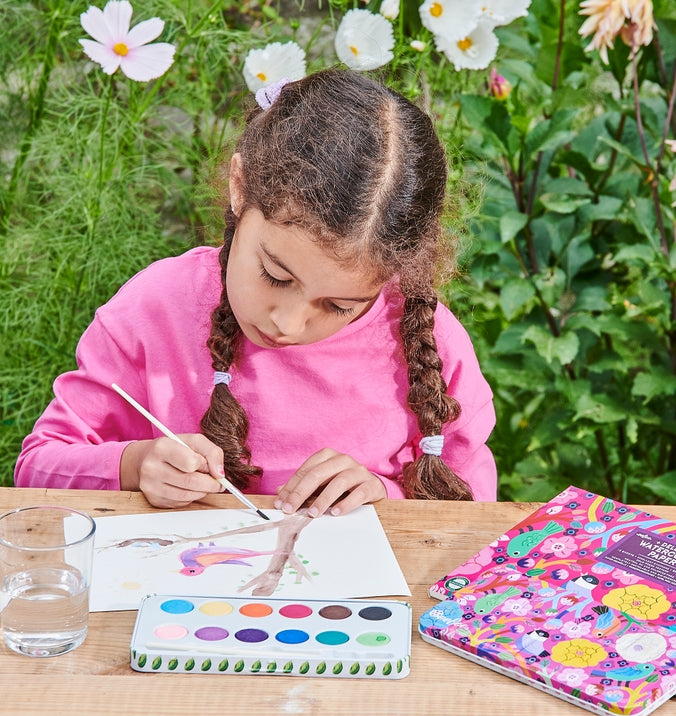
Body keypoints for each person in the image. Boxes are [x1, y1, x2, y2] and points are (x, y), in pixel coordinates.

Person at [15, 69, 496, 517]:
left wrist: (385, 496)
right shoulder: (156, 308)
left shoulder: (429, 341)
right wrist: (134, 464)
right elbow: (37, 469)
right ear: (239, 186)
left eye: (339, 306)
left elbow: (474, 513)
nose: (287, 323)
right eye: (275, 275)